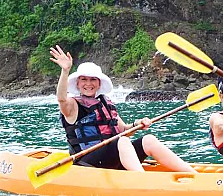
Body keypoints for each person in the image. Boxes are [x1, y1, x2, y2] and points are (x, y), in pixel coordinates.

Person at [50, 44, 197, 173]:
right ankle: (143, 182)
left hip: (112, 156)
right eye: (84, 79)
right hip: (88, 162)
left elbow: (124, 130)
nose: (88, 83)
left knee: (149, 140)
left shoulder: (105, 103)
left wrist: (137, 125)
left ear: (99, 83)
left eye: (93, 79)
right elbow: (61, 98)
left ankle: (193, 175)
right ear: (77, 83)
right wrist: (65, 71)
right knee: (122, 141)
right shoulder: (73, 106)